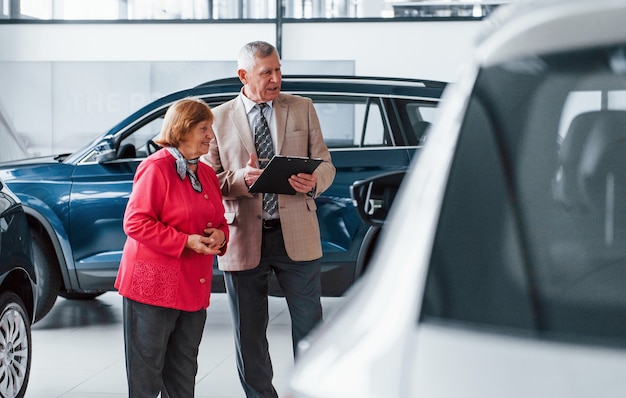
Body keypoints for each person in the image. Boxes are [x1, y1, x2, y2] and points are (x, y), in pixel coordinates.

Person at [202, 40, 336, 398]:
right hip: (243, 236)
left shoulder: (302, 107)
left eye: (278, 70)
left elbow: (325, 163)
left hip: (298, 233)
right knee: (249, 333)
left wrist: (314, 182)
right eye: (267, 72)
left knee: (310, 328)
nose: (276, 78)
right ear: (243, 75)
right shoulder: (217, 118)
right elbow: (209, 181)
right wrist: (239, 181)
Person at [115, 97, 229, 398]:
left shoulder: (205, 173)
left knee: (182, 374)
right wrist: (185, 241)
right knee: (146, 374)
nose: (210, 136)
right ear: (183, 129)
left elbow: (219, 221)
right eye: (204, 128)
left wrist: (220, 236)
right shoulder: (156, 168)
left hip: (192, 287)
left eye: (210, 129)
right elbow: (136, 223)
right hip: (153, 286)